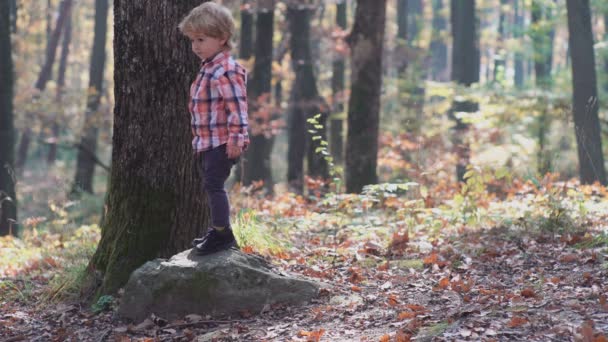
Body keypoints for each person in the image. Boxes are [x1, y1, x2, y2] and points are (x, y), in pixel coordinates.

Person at [178, 2, 249, 255]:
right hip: (208, 141)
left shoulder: (226, 70)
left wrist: (236, 139)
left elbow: (237, 108)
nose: (195, 46)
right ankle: (218, 230)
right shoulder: (208, 67)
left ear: (222, 38)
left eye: (201, 39)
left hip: (222, 142)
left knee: (214, 185)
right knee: (211, 185)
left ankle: (223, 235)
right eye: (192, 40)